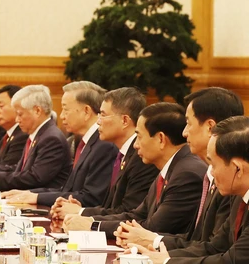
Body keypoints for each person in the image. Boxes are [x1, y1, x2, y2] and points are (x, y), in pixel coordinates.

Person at [115, 87, 243, 250]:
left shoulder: (230, 180)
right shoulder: (209, 174)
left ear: (210, 127)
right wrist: (152, 240)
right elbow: (195, 238)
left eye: (189, 123)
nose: (184, 133)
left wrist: (154, 242)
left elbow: (216, 248)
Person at [63, 102, 207, 238]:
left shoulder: (186, 174)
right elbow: (137, 215)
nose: (136, 145)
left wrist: (93, 226)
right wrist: (89, 221)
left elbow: (152, 228)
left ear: (161, 139)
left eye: (139, 136)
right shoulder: (172, 166)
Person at [129, 116, 249, 263]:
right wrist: (158, 256)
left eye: (214, 164)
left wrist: (166, 262)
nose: (211, 172)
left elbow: (230, 261)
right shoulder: (239, 197)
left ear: (238, 168)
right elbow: (215, 248)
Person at [1, 81, 119, 207]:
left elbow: (91, 197)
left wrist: (36, 197)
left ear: (86, 111)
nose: (61, 116)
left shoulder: (104, 145)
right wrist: (28, 194)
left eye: (65, 109)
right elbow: (66, 190)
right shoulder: (85, 141)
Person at [51, 87, 159, 219]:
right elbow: (111, 207)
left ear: (125, 121)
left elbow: (129, 212)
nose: (98, 121)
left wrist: (81, 213)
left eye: (103, 114)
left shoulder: (141, 158)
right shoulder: (124, 154)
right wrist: (80, 208)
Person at [0, 85, 72, 191]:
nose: (17, 120)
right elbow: (20, 169)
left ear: (37, 111)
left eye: (20, 114)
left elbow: (35, 177)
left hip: (42, 202)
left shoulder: (51, 139)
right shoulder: (38, 134)